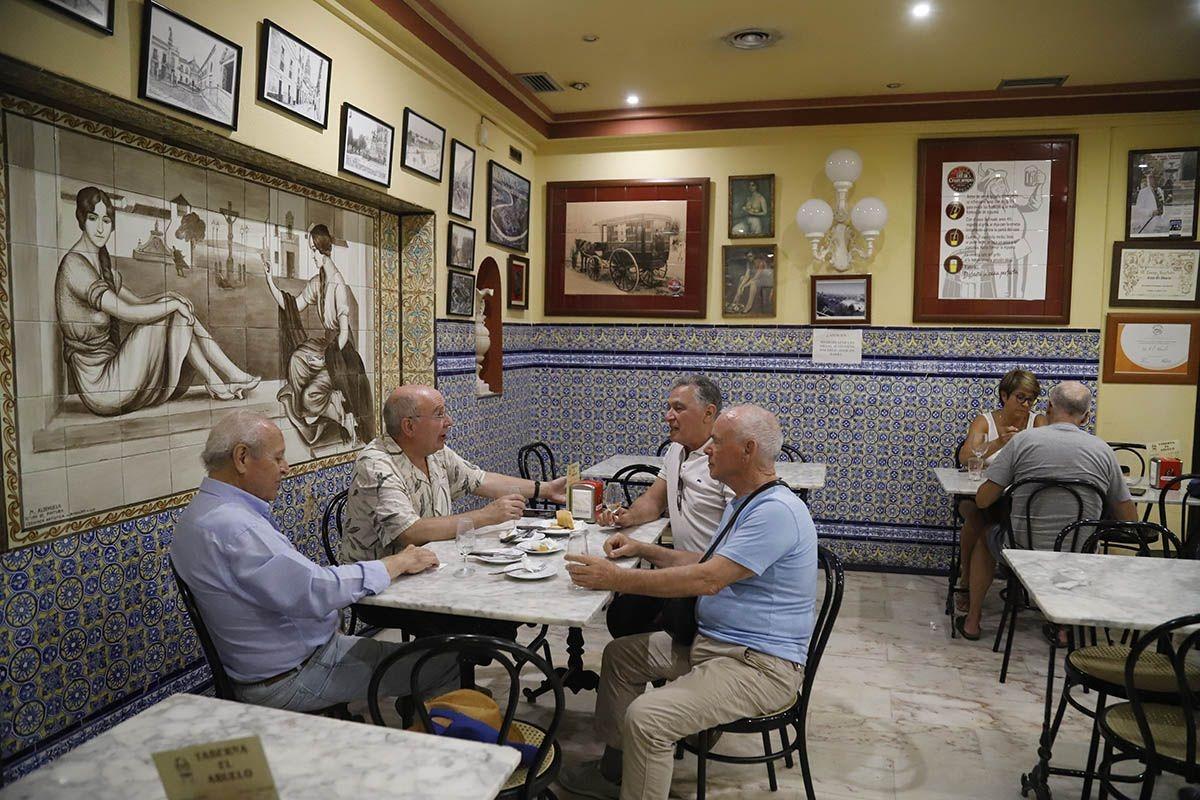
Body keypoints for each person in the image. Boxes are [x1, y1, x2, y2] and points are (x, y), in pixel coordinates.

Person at [559, 405, 816, 800]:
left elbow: (708, 579)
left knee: (648, 718)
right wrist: (644, 547)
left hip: (758, 665)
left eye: (718, 441)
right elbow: (710, 563)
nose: (709, 449)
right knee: (620, 656)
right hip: (717, 645)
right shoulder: (746, 501)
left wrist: (617, 578)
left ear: (747, 450)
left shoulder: (776, 511)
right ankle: (615, 772)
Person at [170, 410, 452, 711]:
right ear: (241, 458)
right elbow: (316, 590)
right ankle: (433, 747)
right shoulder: (235, 527)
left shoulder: (199, 513)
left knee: (424, 654)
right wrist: (395, 563)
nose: (286, 468)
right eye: (277, 458)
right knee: (448, 662)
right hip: (293, 676)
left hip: (294, 660)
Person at [54, 186, 259, 414]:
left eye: (106, 220)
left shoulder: (103, 268)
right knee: (174, 310)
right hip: (102, 387)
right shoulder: (75, 266)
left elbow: (137, 302)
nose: (101, 228)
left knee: (174, 305)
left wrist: (171, 297)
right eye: (93, 219)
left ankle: (225, 379)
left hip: (121, 374)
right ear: (82, 219)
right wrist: (173, 305)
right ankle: (226, 378)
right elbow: (126, 312)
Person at [957, 381, 1137, 640]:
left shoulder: (1023, 443)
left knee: (986, 537)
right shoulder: (1104, 451)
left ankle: (973, 620)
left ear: (1050, 406)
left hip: (1020, 548)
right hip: (1078, 552)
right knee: (1077, 549)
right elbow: (1129, 519)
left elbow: (984, 500)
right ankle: (1062, 627)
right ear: (1086, 416)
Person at [340, 384, 567, 564]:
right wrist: (485, 516)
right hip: (382, 585)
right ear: (409, 427)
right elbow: (409, 532)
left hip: (429, 568)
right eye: (439, 415)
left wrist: (544, 489)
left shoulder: (434, 452)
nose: (449, 422)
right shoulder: (375, 464)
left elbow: (480, 480)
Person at [597, 374, 735, 637]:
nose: (668, 416)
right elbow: (654, 499)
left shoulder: (724, 461)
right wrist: (627, 516)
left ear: (709, 413)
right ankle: (651, 665)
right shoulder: (675, 450)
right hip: (677, 567)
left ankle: (677, 666)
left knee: (649, 618)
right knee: (622, 614)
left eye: (679, 408)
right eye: (668, 407)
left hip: (708, 581)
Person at [263, 223, 374, 448]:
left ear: (322, 251)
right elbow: (293, 305)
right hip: (327, 346)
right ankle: (329, 402)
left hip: (342, 355)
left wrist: (324, 358)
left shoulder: (337, 285)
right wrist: (269, 281)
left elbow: (343, 335)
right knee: (296, 360)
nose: (311, 255)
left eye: (313, 249)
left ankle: (342, 408)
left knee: (309, 397)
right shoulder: (318, 282)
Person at [952, 369, 1047, 612]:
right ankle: (965, 580)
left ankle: (1022, 585)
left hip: (1021, 499)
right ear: (1004, 396)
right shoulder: (985, 421)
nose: (1026, 405)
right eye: (1021, 397)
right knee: (976, 517)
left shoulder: (1037, 422)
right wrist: (998, 442)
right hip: (980, 494)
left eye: (1031, 399)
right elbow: (965, 457)